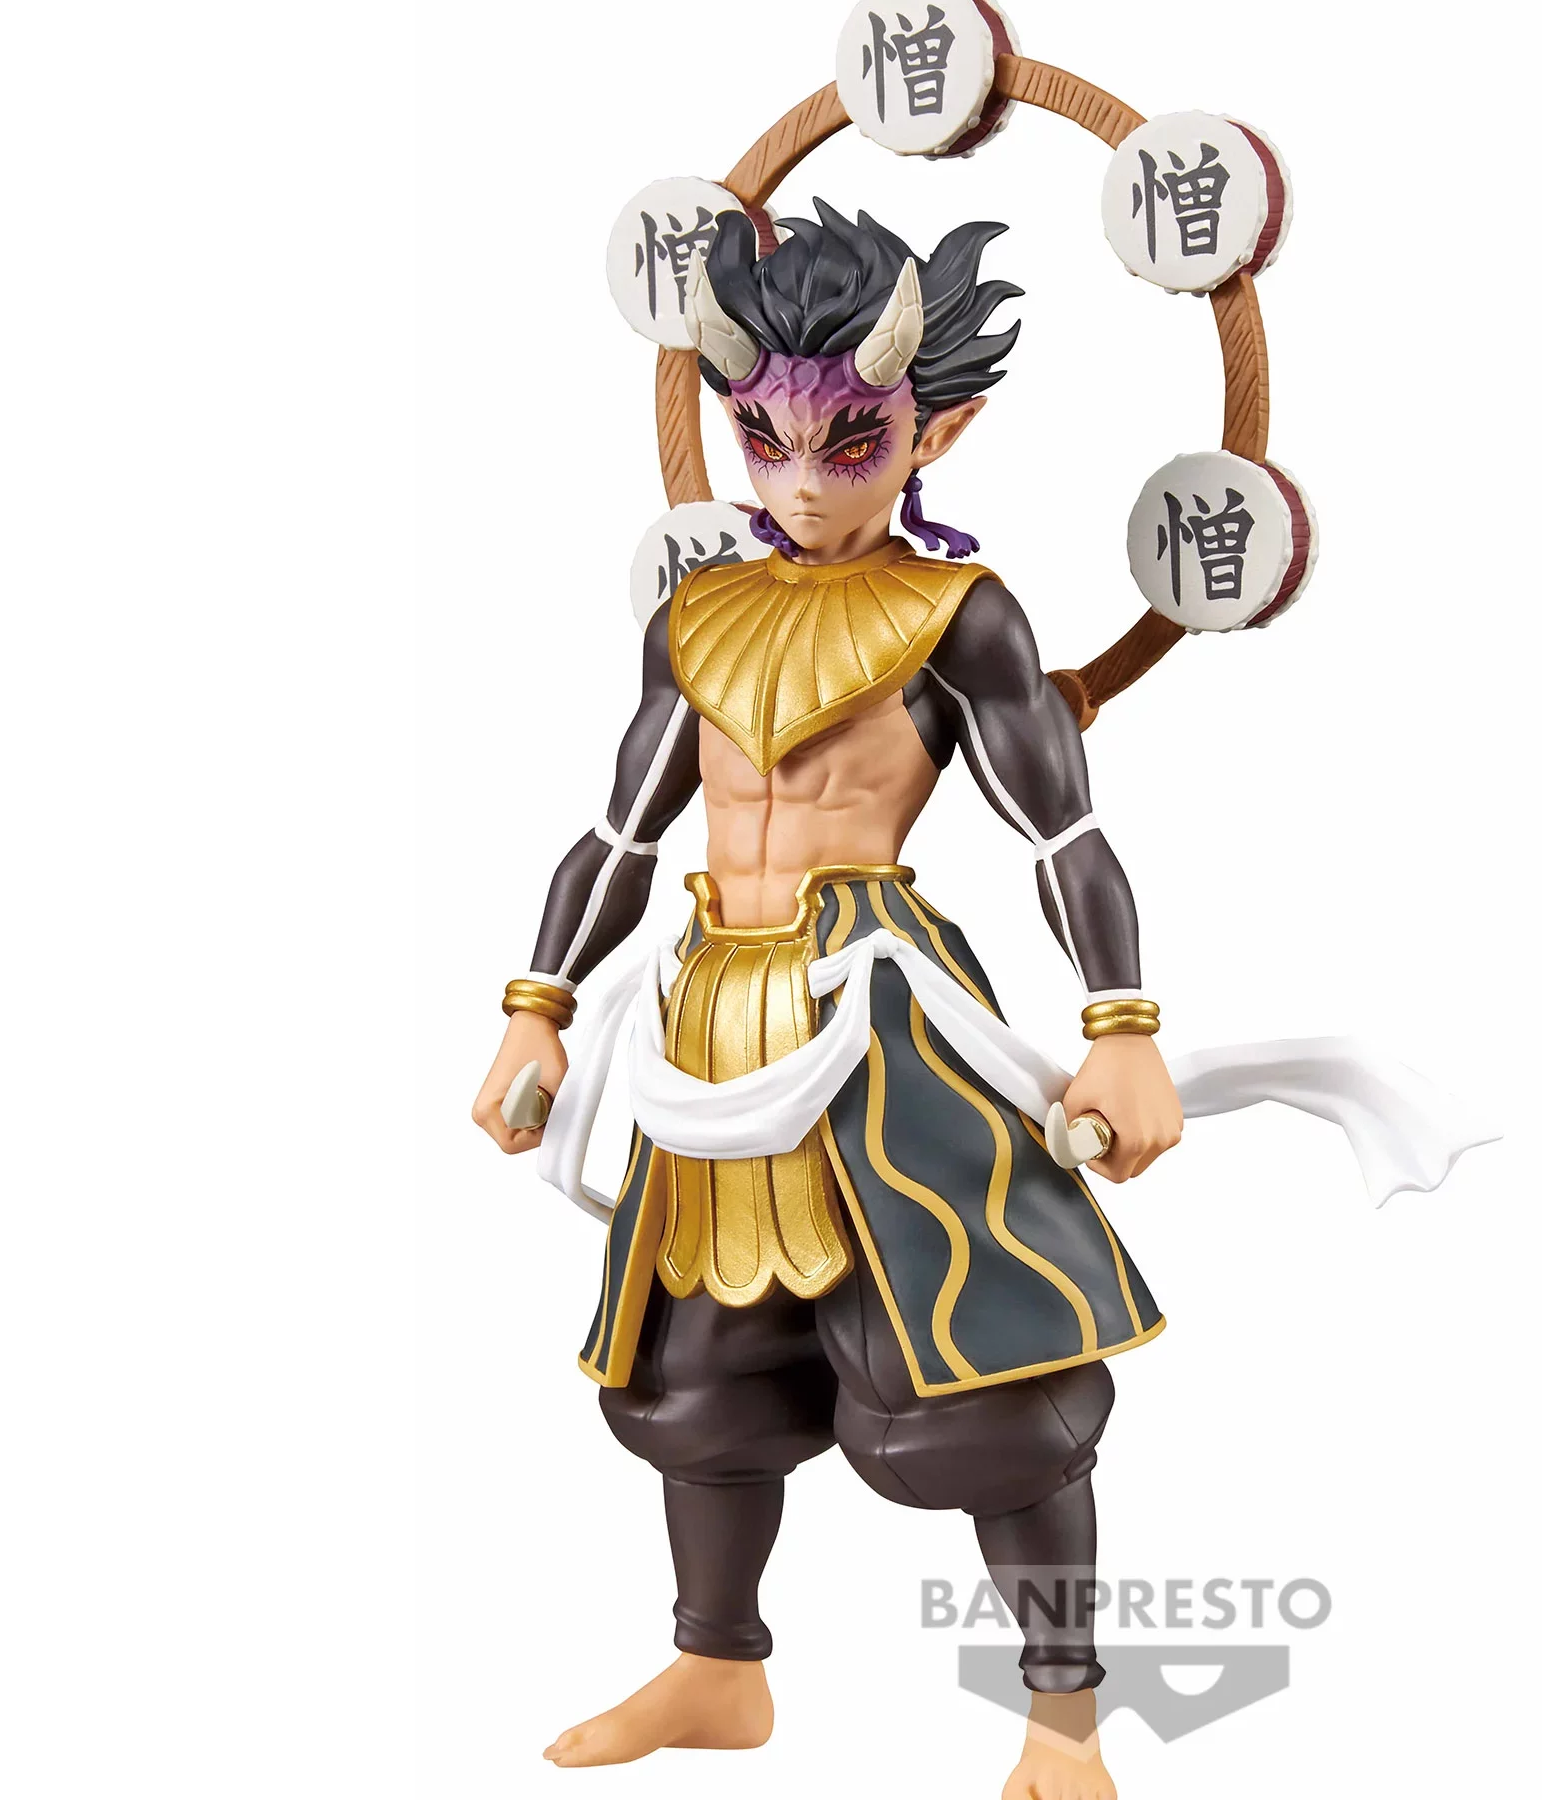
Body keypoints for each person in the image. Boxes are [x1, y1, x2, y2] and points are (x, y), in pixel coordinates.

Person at [473, 201, 1181, 1800]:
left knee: (980, 1379)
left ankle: (1064, 1723)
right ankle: (716, 1668)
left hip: (881, 1016)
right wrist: (538, 1003)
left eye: (849, 441)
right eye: (764, 439)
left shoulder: (962, 613)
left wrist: (1123, 1029)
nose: (801, 481)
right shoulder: (698, 615)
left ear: (937, 429)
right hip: (710, 1015)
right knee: (693, 1372)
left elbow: (1062, 832)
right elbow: (622, 832)